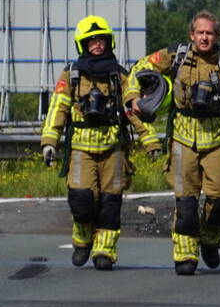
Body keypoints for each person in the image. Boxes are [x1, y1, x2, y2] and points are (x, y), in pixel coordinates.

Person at [125, 10, 220, 275]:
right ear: (192, 35)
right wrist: (134, 97)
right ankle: (185, 253)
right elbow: (139, 68)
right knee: (185, 204)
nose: (204, 38)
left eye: (209, 33)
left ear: (216, 36)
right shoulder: (177, 56)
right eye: (200, 33)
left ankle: (209, 238)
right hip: (183, 138)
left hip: (217, 138)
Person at [41, 15, 145, 271]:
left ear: (109, 42)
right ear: (83, 44)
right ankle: (83, 239)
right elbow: (57, 109)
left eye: (101, 40)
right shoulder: (72, 74)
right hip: (81, 149)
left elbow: (133, 109)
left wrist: (149, 139)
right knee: (81, 200)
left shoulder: (119, 75)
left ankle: (104, 251)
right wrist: (49, 142)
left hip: (113, 149)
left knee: (111, 203)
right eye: (92, 41)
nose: (97, 45)